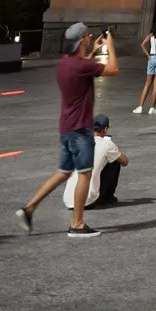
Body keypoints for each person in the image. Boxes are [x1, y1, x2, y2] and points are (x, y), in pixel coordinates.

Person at [15, 22, 117, 238]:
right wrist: (110, 46)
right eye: (87, 35)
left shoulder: (64, 64)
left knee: (63, 172)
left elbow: (82, 68)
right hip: (81, 129)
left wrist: (94, 50)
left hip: (66, 127)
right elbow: (113, 69)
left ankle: (29, 208)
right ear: (81, 40)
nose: (90, 36)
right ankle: (77, 224)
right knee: (84, 175)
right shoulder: (82, 66)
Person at [62, 112, 127, 209]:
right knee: (114, 161)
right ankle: (106, 197)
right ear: (105, 129)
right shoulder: (107, 144)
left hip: (68, 200)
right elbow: (125, 161)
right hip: (88, 201)